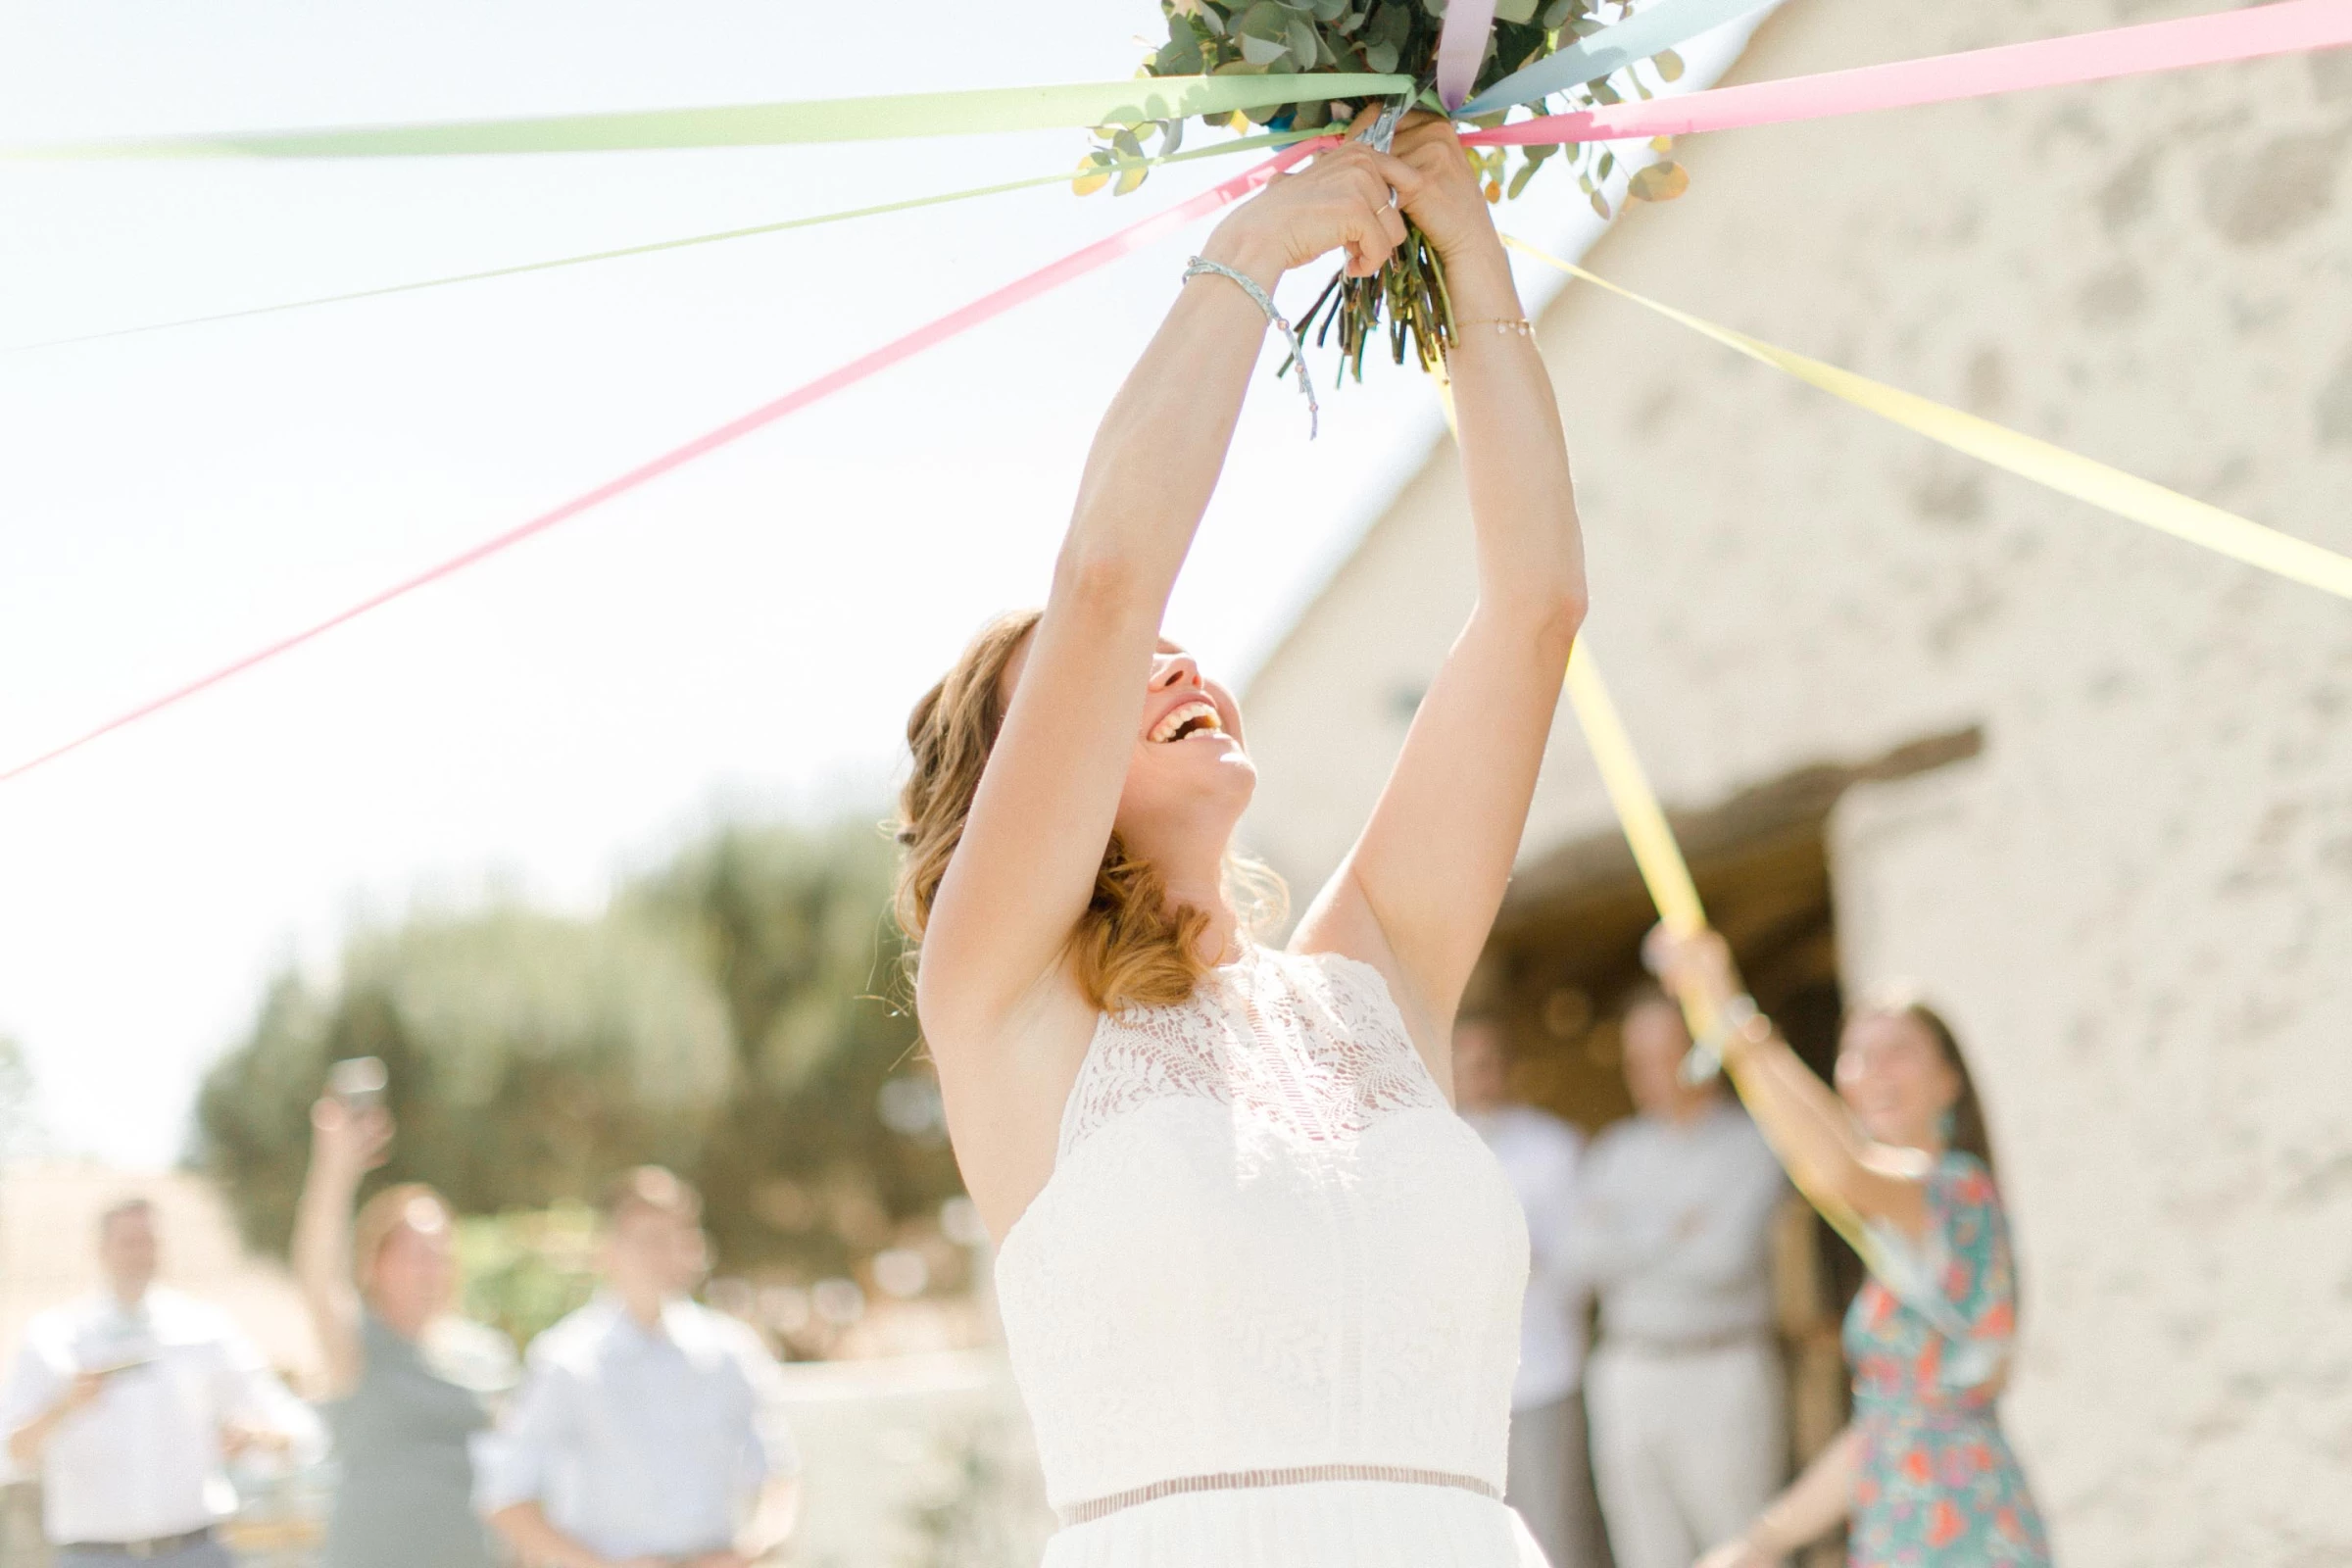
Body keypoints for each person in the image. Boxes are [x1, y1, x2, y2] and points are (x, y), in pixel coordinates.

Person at [893, 107, 1586, 1567]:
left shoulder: (1372, 977)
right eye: (1110, 678)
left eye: (1183, 648)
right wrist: (1261, 242)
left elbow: (1536, 609)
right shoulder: (1003, 999)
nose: (1171, 659)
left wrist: (1464, 246)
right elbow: (1105, 574)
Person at [1647, 933, 2053, 1568]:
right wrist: (1760, 1543)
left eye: (1897, 1053)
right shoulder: (1903, 1236)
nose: (1872, 1073)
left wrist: (1730, 1014)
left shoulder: (1958, 1193)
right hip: (1901, 1537)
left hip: (1968, 1539)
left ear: (1950, 1081)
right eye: (1855, 1055)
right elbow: (1883, 1434)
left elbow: (1838, 1167)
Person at [479, 1167, 801, 1568]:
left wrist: (755, 1546)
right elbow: (506, 1498)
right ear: (609, 1250)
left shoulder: (731, 1353)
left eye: (676, 1237)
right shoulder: (566, 1361)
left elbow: (777, 1473)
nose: (663, 1254)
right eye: (648, 1239)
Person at [1567, 990, 1789, 1568]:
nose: (1643, 1075)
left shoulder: (1749, 1143)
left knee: (1739, 1546)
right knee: (1644, 1552)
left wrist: (1628, 1232)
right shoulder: (1615, 1150)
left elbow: (1721, 1260)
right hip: (1629, 1371)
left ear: (1698, 1054)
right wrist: (1674, 1229)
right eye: (1633, 1060)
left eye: (1658, 1055)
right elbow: (1580, 1258)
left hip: (1717, 1369)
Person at [1, 1197, 322, 1567]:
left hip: (196, 1551)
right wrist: (63, 1407)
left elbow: (295, 1431)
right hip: (94, 1555)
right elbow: (10, 1453)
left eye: (149, 1241)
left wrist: (253, 1437)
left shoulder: (204, 1330)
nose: (140, 1253)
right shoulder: (54, 1339)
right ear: (101, 1249)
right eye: (128, 1242)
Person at [293, 1094, 517, 1568]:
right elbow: (316, 1275)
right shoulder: (354, 1348)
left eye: (441, 1253)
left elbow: (515, 1469)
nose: (431, 1268)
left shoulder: (484, 1353)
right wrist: (335, 1170)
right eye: (417, 1253)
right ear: (375, 1263)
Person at [1452, 1017, 1608, 1568]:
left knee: (1554, 1537)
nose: (1479, 1074)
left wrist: (1520, 1255)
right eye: (1466, 1061)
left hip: (1544, 1373)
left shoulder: (1555, 1146)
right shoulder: (1432, 1145)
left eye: (1488, 1060)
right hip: (1459, 1389)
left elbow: (1589, 1264)